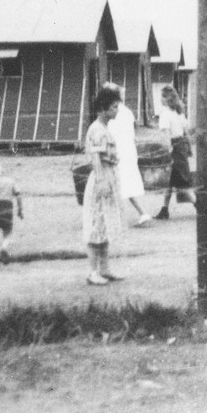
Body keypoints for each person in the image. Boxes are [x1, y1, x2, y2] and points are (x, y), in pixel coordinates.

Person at [81, 86, 125, 286]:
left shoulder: (104, 128)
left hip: (109, 175)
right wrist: (101, 181)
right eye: (114, 107)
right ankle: (92, 271)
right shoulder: (96, 129)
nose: (117, 110)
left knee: (105, 224)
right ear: (104, 107)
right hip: (102, 177)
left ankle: (105, 269)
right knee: (96, 224)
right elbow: (96, 158)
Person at [104, 82, 151, 226]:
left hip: (120, 152)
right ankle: (140, 213)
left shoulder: (114, 113)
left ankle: (140, 212)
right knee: (124, 184)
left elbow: (110, 134)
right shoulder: (128, 112)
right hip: (129, 151)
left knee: (118, 183)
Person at [156, 85, 196, 219]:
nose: (160, 98)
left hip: (173, 148)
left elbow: (166, 135)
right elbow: (186, 131)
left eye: (161, 96)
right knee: (170, 181)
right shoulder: (179, 111)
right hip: (181, 147)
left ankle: (202, 207)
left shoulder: (165, 114)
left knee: (183, 183)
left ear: (166, 98)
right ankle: (164, 209)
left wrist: (166, 151)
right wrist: (188, 147)